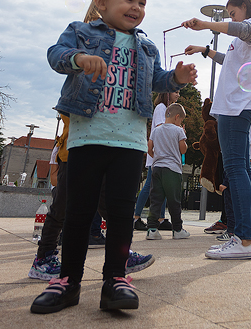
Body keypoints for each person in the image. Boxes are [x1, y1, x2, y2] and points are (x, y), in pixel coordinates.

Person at [31, 0, 196, 315]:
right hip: (87, 137)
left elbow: (157, 79)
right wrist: (79, 58)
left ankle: (116, 279)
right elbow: (55, 54)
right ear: (102, 3)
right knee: (78, 212)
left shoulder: (146, 46)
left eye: (142, 2)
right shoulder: (81, 32)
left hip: (130, 142)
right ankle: (68, 281)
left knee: (121, 214)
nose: (136, 7)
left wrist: (177, 78)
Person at [183, 0, 251, 260]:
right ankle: (240, 237)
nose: (231, 19)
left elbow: (243, 29)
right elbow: (230, 61)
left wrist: (206, 24)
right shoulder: (246, 38)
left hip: (237, 106)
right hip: (233, 106)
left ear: (245, 6)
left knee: (235, 170)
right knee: (239, 170)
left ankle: (243, 240)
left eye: (233, 13)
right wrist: (204, 50)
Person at [27, 114, 155, 282]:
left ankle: (121, 254)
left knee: (110, 207)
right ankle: (43, 257)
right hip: (76, 150)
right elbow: (68, 111)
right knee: (61, 206)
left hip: (104, 150)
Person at [146, 102, 189, 239]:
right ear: (177, 117)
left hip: (157, 168)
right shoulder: (178, 130)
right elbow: (183, 150)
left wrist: (157, 157)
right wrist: (184, 136)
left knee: (156, 199)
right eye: (181, 120)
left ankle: (152, 229)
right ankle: (177, 229)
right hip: (172, 169)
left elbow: (149, 148)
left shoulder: (156, 130)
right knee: (174, 201)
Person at [133, 91, 175, 230]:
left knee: (160, 186)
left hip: (161, 153)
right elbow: (161, 128)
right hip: (157, 153)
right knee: (150, 186)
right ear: (167, 93)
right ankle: (136, 217)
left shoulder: (164, 108)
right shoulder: (161, 108)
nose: (178, 95)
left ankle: (160, 218)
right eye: (176, 91)